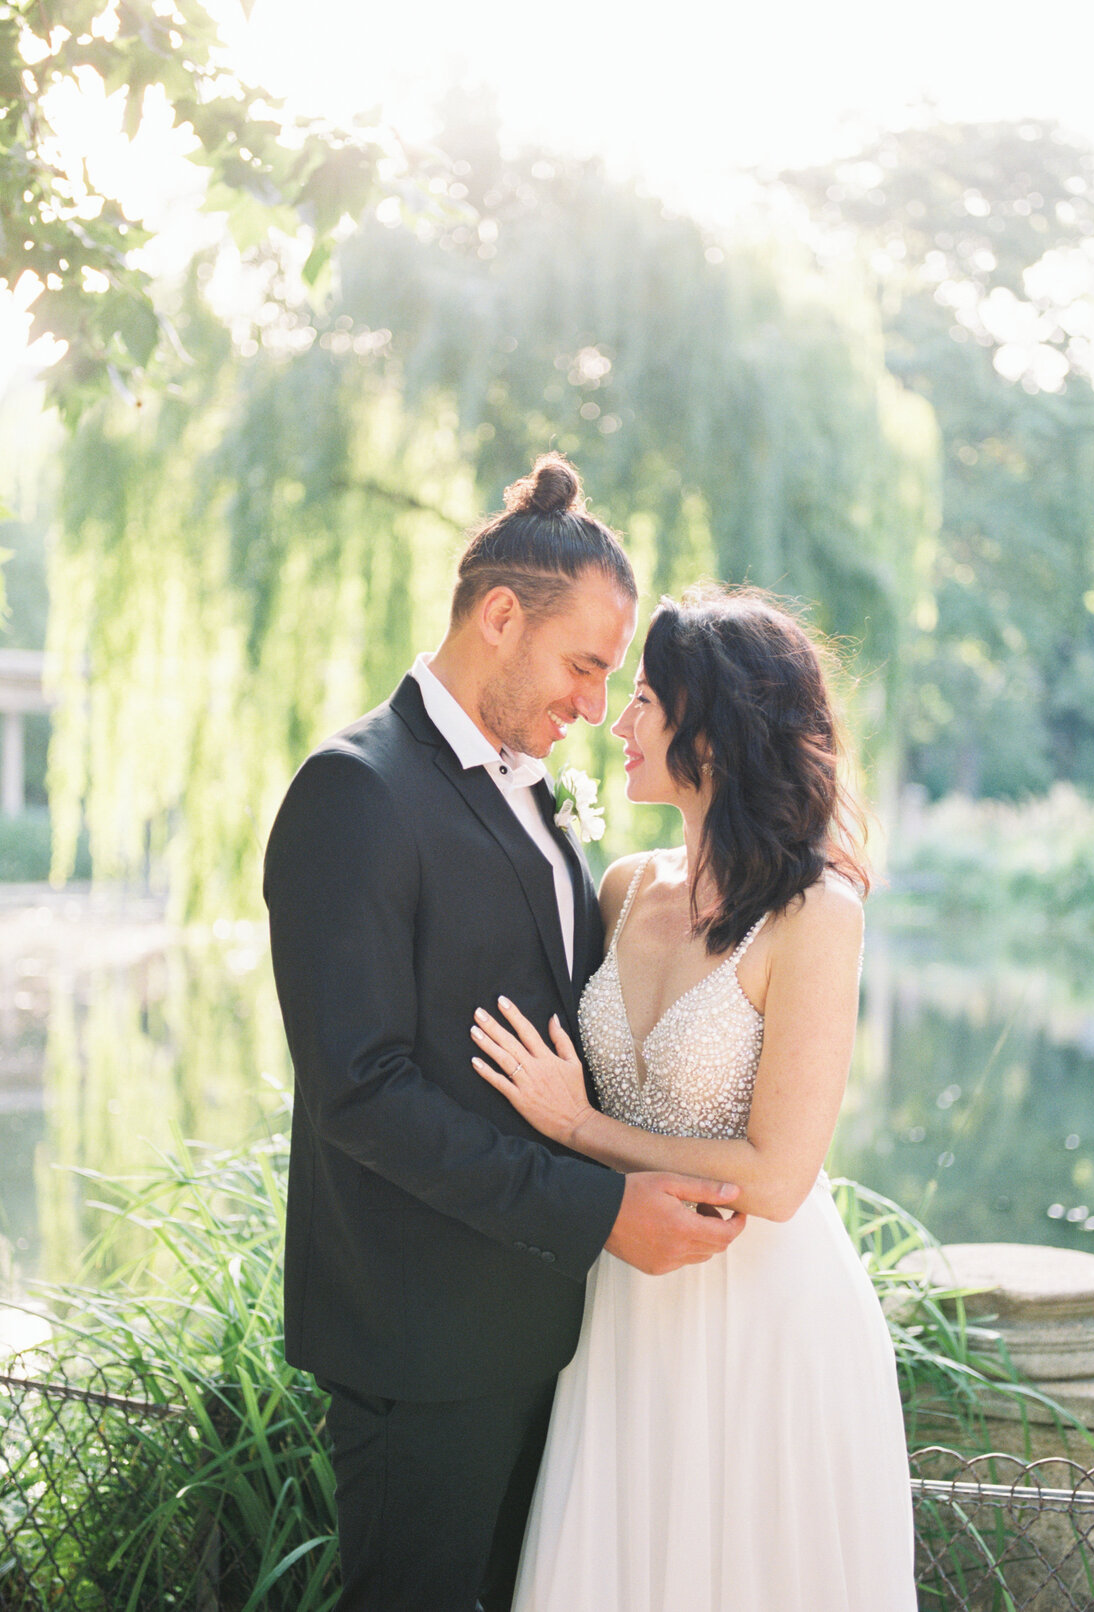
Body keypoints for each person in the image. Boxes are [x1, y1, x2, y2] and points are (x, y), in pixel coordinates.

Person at [263, 458, 745, 1612]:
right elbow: (363, 1091)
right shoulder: (354, 792)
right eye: (584, 665)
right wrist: (599, 1211)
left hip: (544, 1337)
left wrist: (795, 869)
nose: (595, 705)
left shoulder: (530, 793)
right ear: (497, 617)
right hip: (417, 1346)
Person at [470, 584, 919, 1611]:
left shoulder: (817, 912)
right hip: (626, 1303)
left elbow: (777, 1173)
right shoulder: (623, 888)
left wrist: (578, 1123)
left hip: (765, 1319)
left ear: (708, 729)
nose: (614, 722)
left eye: (643, 700)